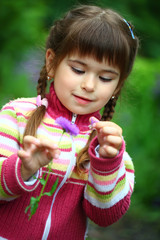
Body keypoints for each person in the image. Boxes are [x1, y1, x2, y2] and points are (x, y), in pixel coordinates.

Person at [0, 4, 138, 240]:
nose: (90, 85)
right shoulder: (17, 115)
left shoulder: (109, 145)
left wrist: (107, 163)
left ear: (118, 84)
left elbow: (105, 216)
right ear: (52, 62)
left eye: (105, 77)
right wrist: (24, 169)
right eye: (78, 69)